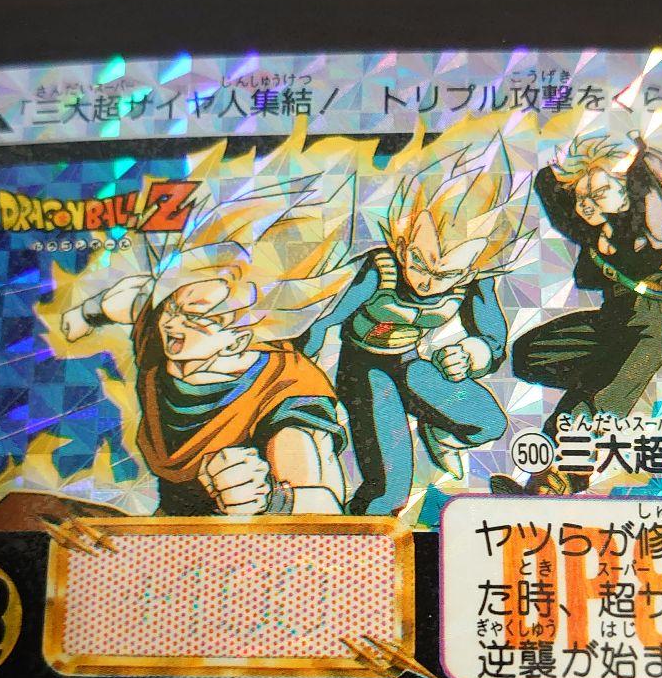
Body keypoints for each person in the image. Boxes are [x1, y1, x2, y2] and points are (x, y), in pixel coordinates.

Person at [57, 173, 359, 516]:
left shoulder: (285, 395)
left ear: (237, 341)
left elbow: (326, 511)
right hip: (166, 530)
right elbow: (132, 297)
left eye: (196, 319)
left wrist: (272, 499)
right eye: (173, 308)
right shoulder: (161, 329)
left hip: (247, 539)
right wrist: (84, 315)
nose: (173, 323)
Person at [299, 138, 532, 515]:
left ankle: (436, 428)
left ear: (469, 269)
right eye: (419, 263)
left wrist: (471, 354)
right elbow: (324, 319)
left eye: (446, 274)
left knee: (488, 423)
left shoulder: (473, 282)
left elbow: (492, 339)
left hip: (410, 364)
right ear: (403, 243)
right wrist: (300, 379)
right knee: (389, 492)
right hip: (365, 372)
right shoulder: (381, 270)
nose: (427, 282)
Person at [491, 133, 662, 496]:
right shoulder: (590, 230)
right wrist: (556, 168)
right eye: (583, 198)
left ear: (625, 194)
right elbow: (554, 198)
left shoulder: (649, 231)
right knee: (529, 354)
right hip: (611, 322)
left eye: (599, 194)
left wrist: (640, 161)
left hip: (645, 325)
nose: (586, 204)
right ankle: (552, 479)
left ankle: (553, 483)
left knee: (600, 399)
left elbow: (653, 198)